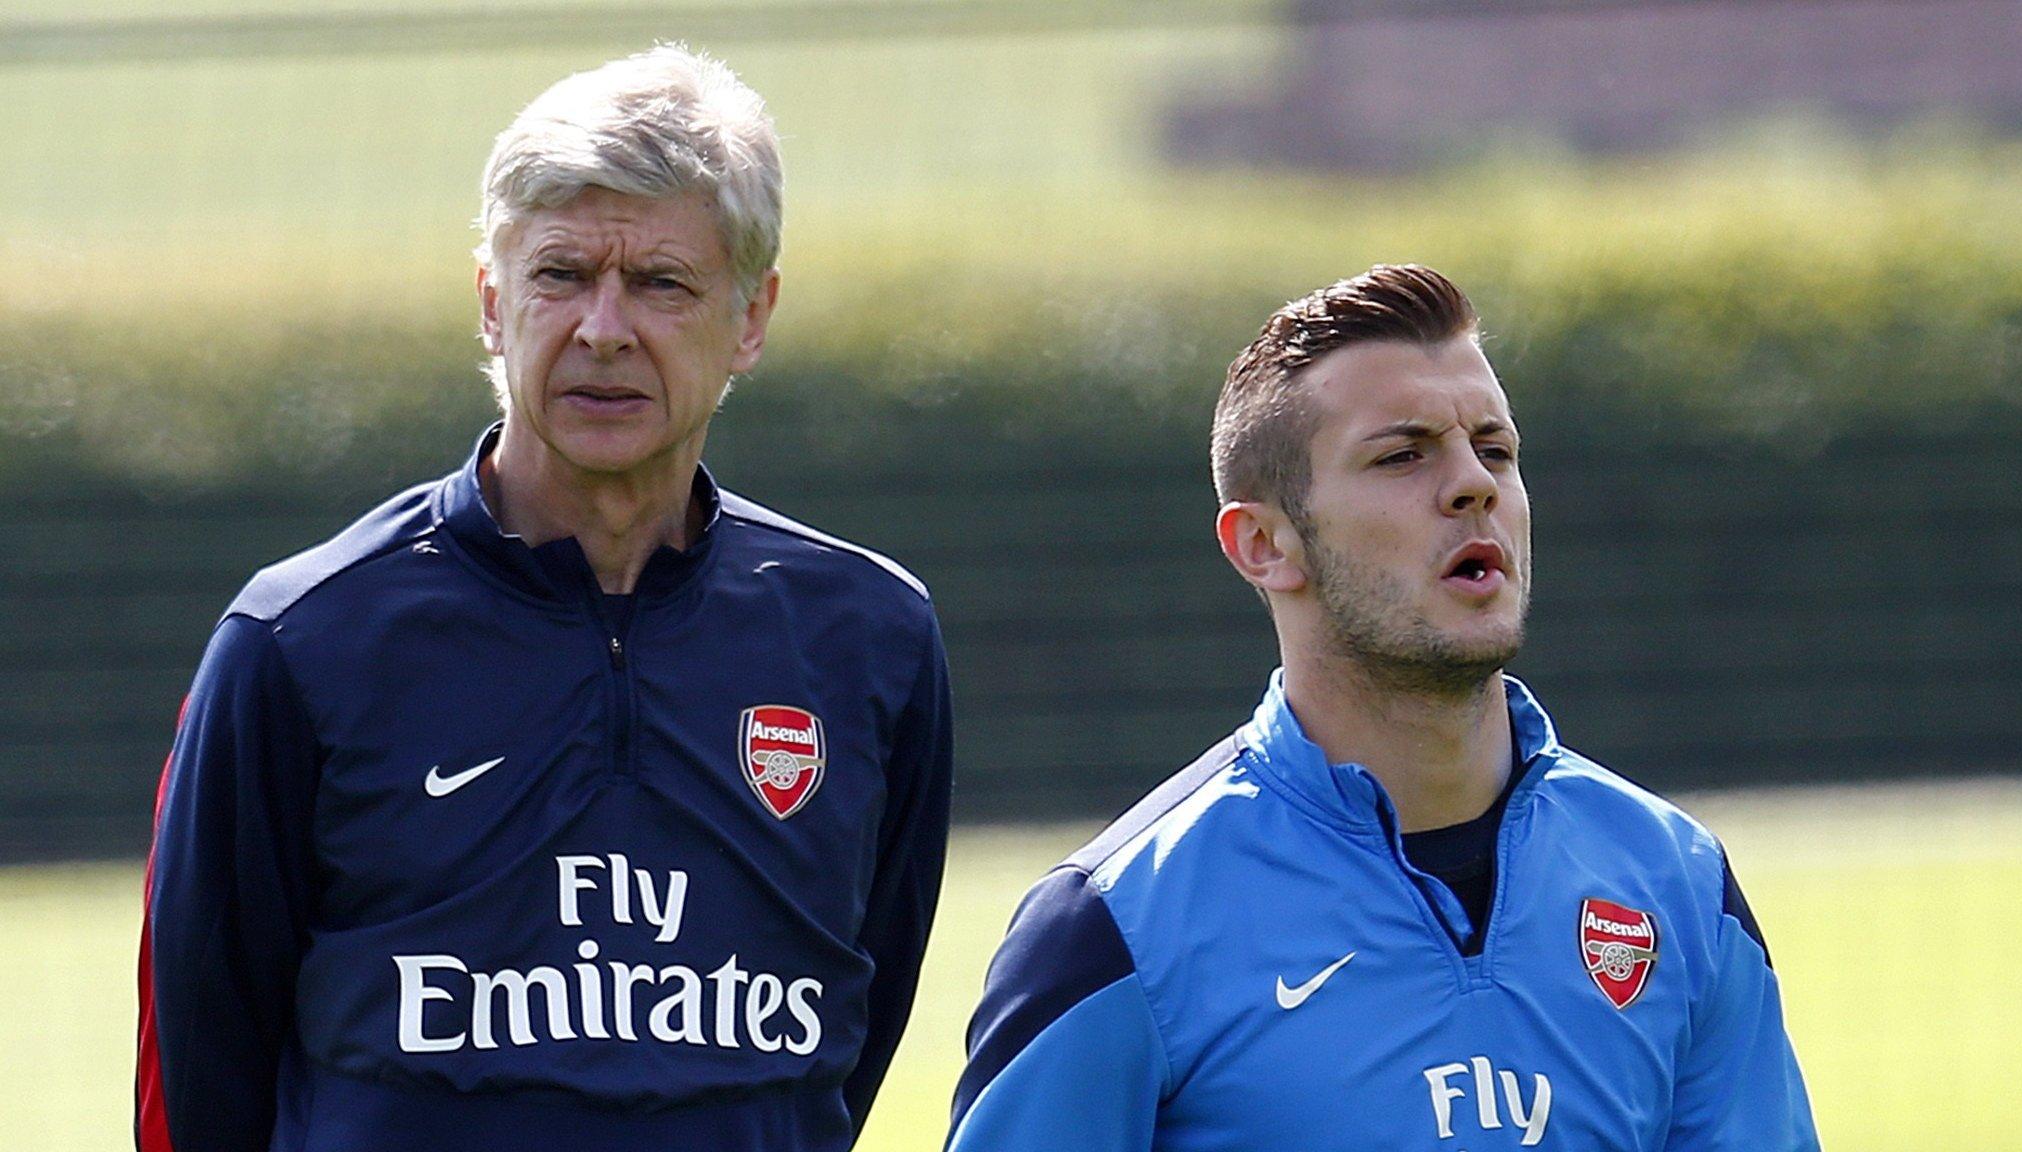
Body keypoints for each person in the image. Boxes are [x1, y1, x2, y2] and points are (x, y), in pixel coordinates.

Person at [135, 45, 951, 1152]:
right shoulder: (299, 641)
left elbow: (844, 1048)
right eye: (560, 274)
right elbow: (195, 1086)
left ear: (750, 317)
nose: (604, 329)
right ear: (491, 301)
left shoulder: (871, 641)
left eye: (662, 284)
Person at [947, 265, 1816, 1150]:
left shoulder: (1674, 882)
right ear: (1264, 544)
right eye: (1403, 454)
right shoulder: (1116, 927)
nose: (1473, 484)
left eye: (1496, 449)